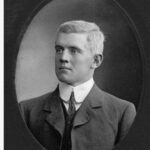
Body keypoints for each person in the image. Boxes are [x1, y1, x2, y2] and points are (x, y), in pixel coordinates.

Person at [19, 20, 136, 150]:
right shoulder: (27, 111)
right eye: (59, 49)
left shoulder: (122, 112)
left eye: (73, 50)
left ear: (96, 60)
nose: (63, 57)